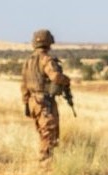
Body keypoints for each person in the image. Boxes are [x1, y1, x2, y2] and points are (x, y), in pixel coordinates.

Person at [20, 28, 71, 161]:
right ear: (49, 42)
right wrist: (66, 80)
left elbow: (23, 85)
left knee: (43, 132)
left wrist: (26, 103)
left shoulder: (28, 61)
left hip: (33, 102)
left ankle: (46, 162)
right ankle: (45, 165)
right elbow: (55, 77)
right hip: (44, 102)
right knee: (49, 134)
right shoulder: (46, 60)